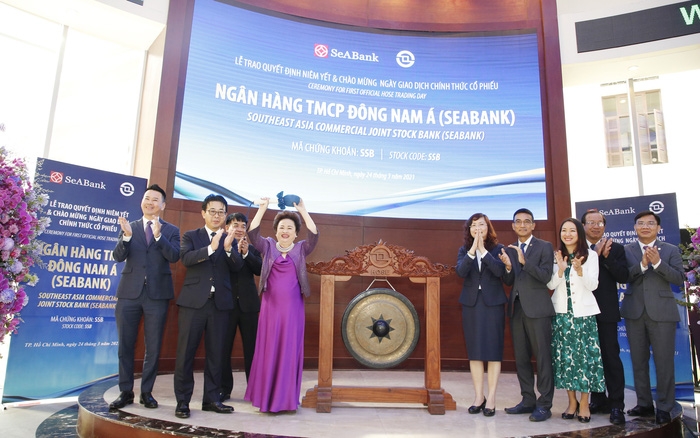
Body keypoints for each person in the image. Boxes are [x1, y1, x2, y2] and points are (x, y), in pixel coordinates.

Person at [244, 196, 318, 413]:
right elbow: (252, 233)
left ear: (296, 233)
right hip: (270, 308)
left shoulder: (301, 249)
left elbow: (314, 234)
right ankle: (266, 399)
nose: (285, 231)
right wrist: (262, 209)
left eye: (290, 228)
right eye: (282, 227)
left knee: (288, 350)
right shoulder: (267, 246)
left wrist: (303, 211)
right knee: (269, 350)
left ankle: (285, 401)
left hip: (293, 309)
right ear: (276, 231)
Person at [110, 184, 180, 410]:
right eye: (147, 198)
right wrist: (126, 237)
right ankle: (125, 391)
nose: (150, 202)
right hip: (129, 294)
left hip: (157, 295)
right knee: (125, 345)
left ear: (163, 205)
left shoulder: (171, 230)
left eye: (155, 199)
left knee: (154, 347)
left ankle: (147, 393)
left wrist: (159, 237)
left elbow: (174, 256)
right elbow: (118, 256)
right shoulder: (129, 227)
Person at [173, 194, 244, 419]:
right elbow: (186, 259)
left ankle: (212, 399)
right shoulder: (191, 236)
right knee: (185, 354)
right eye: (212, 211)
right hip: (193, 304)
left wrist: (229, 249)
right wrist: (211, 248)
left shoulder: (230, 238)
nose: (216, 215)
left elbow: (237, 267)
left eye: (221, 212)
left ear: (225, 215)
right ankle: (183, 401)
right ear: (203, 213)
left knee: (216, 354)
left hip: (220, 305)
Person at [622, 210, 685, 425]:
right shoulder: (626, 250)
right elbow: (623, 276)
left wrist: (658, 264)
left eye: (650, 223)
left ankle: (665, 406)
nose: (645, 227)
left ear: (658, 228)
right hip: (634, 312)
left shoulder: (670, 250)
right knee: (638, 360)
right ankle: (644, 403)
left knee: (664, 361)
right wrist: (641, 265)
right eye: (641, 223)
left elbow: (679, 278)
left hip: (662, 313)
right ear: (635, 227)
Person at [499, 208, 554, 422]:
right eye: (518, 222)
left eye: (527, 221)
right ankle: (528, 400)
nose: (522, 225)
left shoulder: (544, 246)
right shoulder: (510, 249)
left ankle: (545, 404)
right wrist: (508, 268)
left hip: (538, 310)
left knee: (542, 357)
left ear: (533, 225)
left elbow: (545, 276)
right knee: (521, 358)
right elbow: (509, 281)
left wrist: (524, 262)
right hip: (517, 309)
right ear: (513, 226)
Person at [547, 218, 605, 423]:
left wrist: (580, 271)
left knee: (584, 360)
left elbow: (593, 285)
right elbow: (550, 284)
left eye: (572, 230)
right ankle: (571, 402)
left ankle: (585, 403)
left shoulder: (591, 256)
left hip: (583, 316)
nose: (568, 234)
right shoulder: (556, 256)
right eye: (564, 230)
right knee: (566, 359)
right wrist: (561, 269)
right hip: (562, 315)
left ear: (579, 233)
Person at [456, 213, 507, 417]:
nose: (478, 228)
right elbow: (460, 272)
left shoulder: (498, 248)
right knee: (475, 352)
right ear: (469, 230)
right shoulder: (463, 250)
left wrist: (483, 251)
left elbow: (499, 271)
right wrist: (472, 252)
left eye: (482, 225)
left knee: (493, 351)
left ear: (488, 228)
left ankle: (491, 398)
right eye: (474, 225)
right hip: (471, 304)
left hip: (493, 303)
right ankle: (479, 397)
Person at [582, 209, 628, 425]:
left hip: (606, 312)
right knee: (591, 358)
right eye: (591, 222)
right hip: (583, 311)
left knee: (611, 358)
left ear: (605, 226)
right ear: (583, 226)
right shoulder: (578, 249)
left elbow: (623, 276)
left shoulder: (615, 248)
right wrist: (593, 256)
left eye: (599, 222)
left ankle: (617, 404)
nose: (595, 226)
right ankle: (598, 400)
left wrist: (605, 258)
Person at [220, 213, 262, 402]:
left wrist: (246, 254)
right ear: (227, 227)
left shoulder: (252, 249)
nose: (239, 229)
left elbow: (260, 270)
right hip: (226, 305)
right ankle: (224, 389)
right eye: (235, 225)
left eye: (243, 226)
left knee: (252, 350)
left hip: (249, 306)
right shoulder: (220, 246)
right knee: (223, 349)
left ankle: (254, 389)